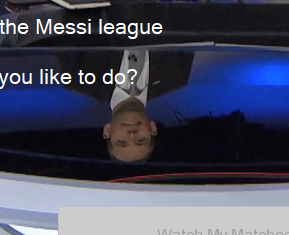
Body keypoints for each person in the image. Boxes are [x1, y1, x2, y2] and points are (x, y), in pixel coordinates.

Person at [57, 50, 195, 162]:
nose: (132, 134)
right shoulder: (176, 75)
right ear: (152, 128)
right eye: (141, 140)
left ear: (107, 131)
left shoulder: (78, 77)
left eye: (122, 141)